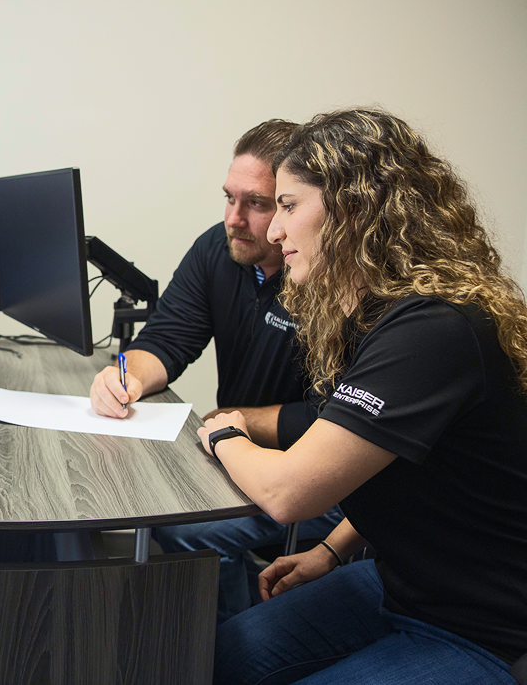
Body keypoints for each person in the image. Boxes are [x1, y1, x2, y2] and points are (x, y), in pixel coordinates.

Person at [204, 108, 527, 684]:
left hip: (482, 625)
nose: (275, 232)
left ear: (353, 209)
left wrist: (224, 432)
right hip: (400, 581)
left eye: (288, 206)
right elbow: (399, 460)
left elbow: (287, 493)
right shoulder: (376, 315)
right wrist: (330, 551)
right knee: (222, 656)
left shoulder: (434, 328)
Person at [90, 119, 342, 622]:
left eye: (258, 204)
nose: (234, 219)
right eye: (229, 198)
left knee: (189, 529)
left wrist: (235, 422)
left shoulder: (328, 277)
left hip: (320, 476)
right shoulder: (218, 249)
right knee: (148, 498)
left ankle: (231, 644)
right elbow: (166, 339)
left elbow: (333, 417)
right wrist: (126, 377)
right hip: (236, 452)